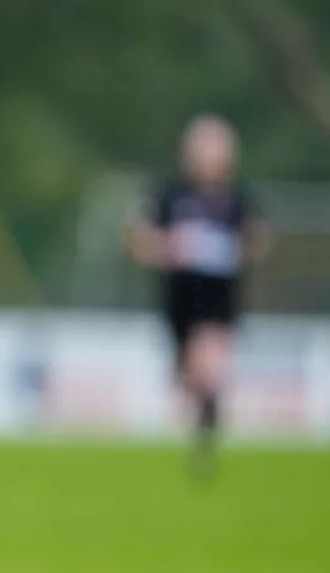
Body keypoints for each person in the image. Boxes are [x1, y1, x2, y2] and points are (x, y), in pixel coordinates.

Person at [126, 115, 270, 473]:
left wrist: (237, 247)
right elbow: (138, 239)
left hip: (219, 295)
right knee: (188, 373)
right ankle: (203, 416)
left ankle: (208, 429)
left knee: (211, 357)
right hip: (180, 295)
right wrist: (167, 248)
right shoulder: (170, 194)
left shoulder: (238, 198)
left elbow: (257, 239)